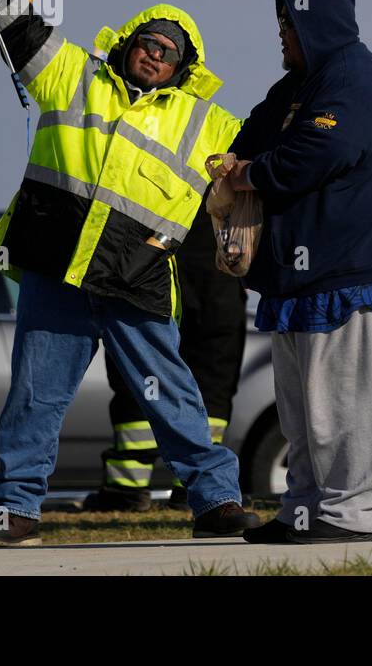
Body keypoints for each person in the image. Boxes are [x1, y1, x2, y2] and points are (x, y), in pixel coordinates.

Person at [0, 0, 258, 548]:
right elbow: (18, 25)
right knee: (35, 396)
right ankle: (16, 511)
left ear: (184, 67)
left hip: (136, 279)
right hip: (59, 269)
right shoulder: (72, 73)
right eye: (149, 41)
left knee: (172, 395)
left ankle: (217, 502)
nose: (155, 54)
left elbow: (279, 151)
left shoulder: (209, 122)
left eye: (169, 51)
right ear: (130, 41)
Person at [220, 0, 372, 545]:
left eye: (289, 24)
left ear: (317, 25)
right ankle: (306, 509)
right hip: (299, 277)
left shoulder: (354, 77)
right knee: (304, 413)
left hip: (346, 272)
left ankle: (352, 515)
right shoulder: (303, 84)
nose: (281, 35)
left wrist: (249, 174)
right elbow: (252, 131)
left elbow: (319, 151)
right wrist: (233, 159)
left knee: (348, 407)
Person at [82, 199, 248, 512]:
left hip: (151, 266)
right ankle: (197, 486)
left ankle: (127, 488)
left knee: (140, 367)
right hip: (216, 273)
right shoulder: (223, 156)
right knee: (212, 377)